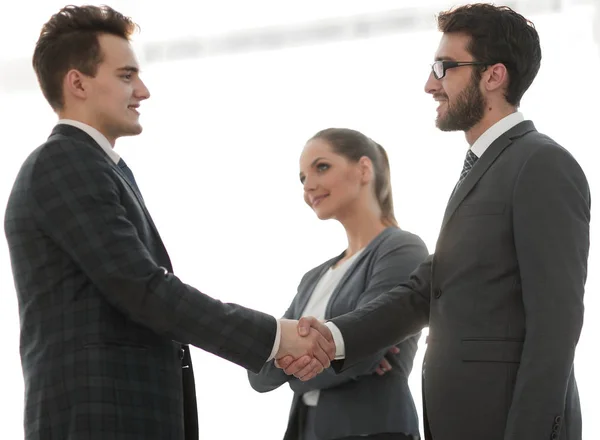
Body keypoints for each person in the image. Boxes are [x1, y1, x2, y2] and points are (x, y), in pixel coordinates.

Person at [3, 5, 334, 440]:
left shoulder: (98, 167)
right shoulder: (64, 161)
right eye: (126, 75)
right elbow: (143, 289)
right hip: (99, 420)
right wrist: (274, 338)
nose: (142, 90)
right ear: (77, 82)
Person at [279, 4, 591, 440]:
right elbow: (424, 291)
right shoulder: (482, 171)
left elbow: (555, 327)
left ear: (493, 76)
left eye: (443, 68)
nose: (430, 84)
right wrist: (332, 338)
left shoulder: (541, 164)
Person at [248, 128, 428, 440]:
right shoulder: (313, 277)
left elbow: (365, 352)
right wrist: (343, 359)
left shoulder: (402, 248)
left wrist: (290, 369)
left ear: (363, 169)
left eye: (321, 167)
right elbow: (258, 373)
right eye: (302, 178)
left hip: (373, 430)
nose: (309, 186)